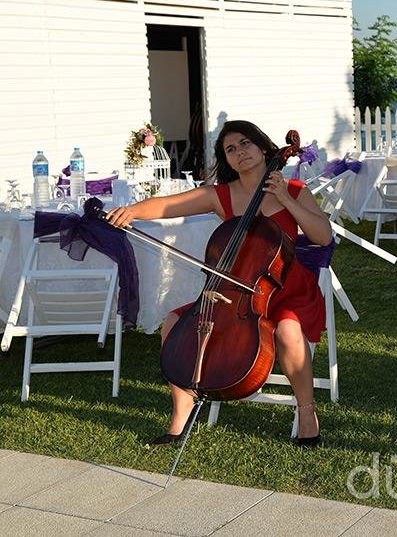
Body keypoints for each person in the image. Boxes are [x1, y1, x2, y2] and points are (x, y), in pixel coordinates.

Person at [105, 120, 334, 447]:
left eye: (245, 143)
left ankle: (307, 413)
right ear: (226, 160)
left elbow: (323, 236)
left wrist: (287, 199)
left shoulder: (294, 190)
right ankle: (180, 416)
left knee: (287, 330)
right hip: (239, 288)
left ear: (262, 147)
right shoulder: (221, 195)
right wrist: (131, 211)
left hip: (288, 287)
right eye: (230, 149)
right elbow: (170, 205)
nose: (240, 152)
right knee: (175, 322)